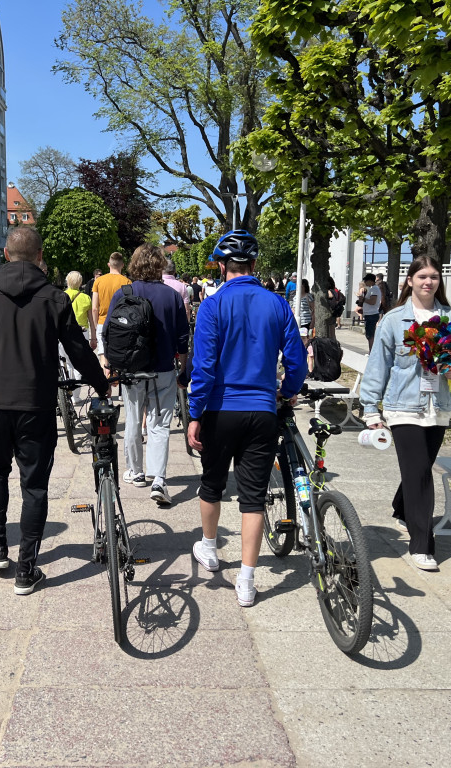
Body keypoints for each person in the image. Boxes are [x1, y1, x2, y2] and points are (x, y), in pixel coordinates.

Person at [0, 228, 108, 595]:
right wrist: (102, 384)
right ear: (40, 255)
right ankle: (26, 568)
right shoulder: (53, 297)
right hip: (36, 405)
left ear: (5, 253)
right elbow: (78, 351)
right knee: (34, 485)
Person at [188, 231, 307, 607]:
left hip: (221, 410)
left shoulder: (212, 306)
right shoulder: (277, 305)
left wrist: (194, 414)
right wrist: (287, 391)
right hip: (261, 410)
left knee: (212, 483)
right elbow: (297, 361)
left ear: (221, 267)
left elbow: (203, 368)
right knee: (254, 497)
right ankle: (247, 579)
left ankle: (209, 549)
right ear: (254, 266)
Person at [359, 255, 451, 572]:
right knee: (421, 473)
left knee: (417, 469)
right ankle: (422, 544)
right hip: (402, 407)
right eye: (422, 276)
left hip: (438, 406)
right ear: (410, 280)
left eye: (434, 276)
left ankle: (401, 508)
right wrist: (371, 409)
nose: (428, 282)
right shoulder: (394, 320)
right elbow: (377, 367)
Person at [105, 244, 190, 505]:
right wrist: (183, 367)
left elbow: (109, 331)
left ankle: (136, 471)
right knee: (159, 424)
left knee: (133, 419)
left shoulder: (124, 292)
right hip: (163, 369)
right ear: (159, 265)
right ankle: (159, 480)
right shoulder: (172, 295)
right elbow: (183, 337)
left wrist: (111, 364)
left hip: (132, 369)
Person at [61, 270, 98, 404]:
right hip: (82, 332)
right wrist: (93, 337)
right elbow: (91, 320)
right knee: (78, 363)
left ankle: (67, 394)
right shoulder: (86, 298)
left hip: (64, 332)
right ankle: (75, 396)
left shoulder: (61, 296)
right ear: (81, 283)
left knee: (65, 363)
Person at [91, 252, 132, 372]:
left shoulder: (99, 281)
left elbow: (94, 308)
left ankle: (106, 385)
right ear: (122, 265)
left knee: (104, 357)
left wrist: (94, 326)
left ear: (109, 264)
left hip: (103, 322)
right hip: (120, 323)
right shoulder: (127, 282)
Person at [360, 273, 382, 350]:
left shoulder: (374, 289)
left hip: (371, 314)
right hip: (369, 314)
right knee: (369, 334)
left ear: (370, 280)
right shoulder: (373, 289)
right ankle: (372, 351)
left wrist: (363, 299)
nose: (365, 282)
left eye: (366, 280)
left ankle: (372, 351)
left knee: (370, 335)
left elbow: (372, 301)